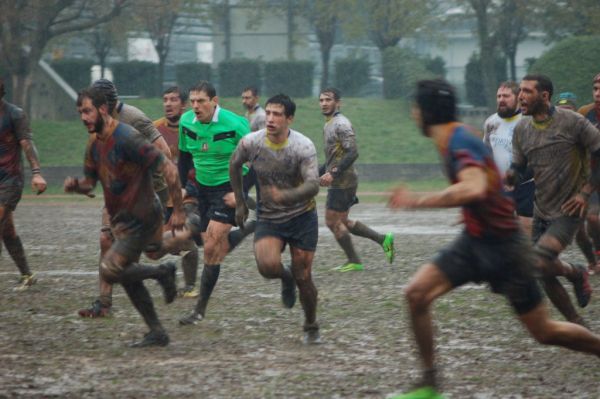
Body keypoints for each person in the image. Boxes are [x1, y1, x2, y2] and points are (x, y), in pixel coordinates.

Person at [388, 79, 600, 399]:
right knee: (416, 294)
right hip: (474, 241)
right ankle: (430, 385)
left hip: (504, 249)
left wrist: (416, 200)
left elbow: (472, 187)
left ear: (426, 111)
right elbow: (487, 187)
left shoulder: (458, 140)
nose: (413, 114)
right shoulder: (448, 137)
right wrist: (480, 210)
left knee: (544, 331)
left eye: (416, 108)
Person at [66, 86, 185, 347]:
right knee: (127, 274)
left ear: (103, 109)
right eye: (80, 113)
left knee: (111, 268)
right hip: (124, 218)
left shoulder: (127, 137)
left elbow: (170, 169)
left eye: (87, 111)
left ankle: (162, 272)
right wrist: (77, 185)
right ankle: (157, 331)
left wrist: (177, 209)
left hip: (142, 216)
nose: (83, 118)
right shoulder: (94, 143)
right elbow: (90, 183)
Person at [230, 93, 321, 344]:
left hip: (302, 217)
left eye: (277, 114)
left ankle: (311, 324)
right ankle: (285, 277)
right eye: (268, 113)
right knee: (267, 266)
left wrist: (286, 195)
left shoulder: (303, 146)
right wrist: (240, 202)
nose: (270, 119)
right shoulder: (251, 142)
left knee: (305, 277)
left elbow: (313, 185)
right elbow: (234, 164)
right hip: (269, 217)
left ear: (289, 119)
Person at [78, 79, 173, 318]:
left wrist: (138, 175)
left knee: (153, 251)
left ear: (108, 105)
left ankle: (186, 240)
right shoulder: (98, 123)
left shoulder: (135, 118)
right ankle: (104, 304)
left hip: (147, 192)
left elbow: (166, 152)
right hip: (118, 194)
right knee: (105, 240)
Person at [508, 74, 597, 325]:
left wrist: (585, 192)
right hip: (541, 209)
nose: (520, 96)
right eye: (520, 91)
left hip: (570, 207)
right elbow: (519, 164)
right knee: (543, 272)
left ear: (544, 96)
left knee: (538, 261)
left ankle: (576, 271)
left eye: (526, 91)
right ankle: (577, 324)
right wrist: (511, 176)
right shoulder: (522, 128)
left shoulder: (573, 122)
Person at [178, 81, 254, 325]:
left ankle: (199, 310)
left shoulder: (235, 124)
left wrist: (240, 194)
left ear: (214, 101)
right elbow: (184, 156)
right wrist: (181, 186)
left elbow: (259, 158)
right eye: (192, 101)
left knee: (211, 247)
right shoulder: (186, 122)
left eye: (201, 101)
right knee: (209, 245)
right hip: (201, 188)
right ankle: (248, 228)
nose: (196, 106)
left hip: (228, 188)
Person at [318, 87, 394, 272]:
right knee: (343, 222)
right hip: (342, 179)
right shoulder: (329, 124)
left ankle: (354, 261)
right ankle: (383, 240)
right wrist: (318, 171)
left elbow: (353, 152)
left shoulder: (341, 124)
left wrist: (332, 173)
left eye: (328, 100)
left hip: (343, 181)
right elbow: (333, 157)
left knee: (331, 221)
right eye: (321, 100)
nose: (324, 103)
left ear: (338, 103)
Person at [0, 78, 47, 290]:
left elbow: (27, 145)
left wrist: (36, 173)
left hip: (10, 180)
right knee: (7, 230)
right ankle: (27, 274)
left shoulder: (14, 114)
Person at [153, 86, 200, 298]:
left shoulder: (195, 128)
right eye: (165, 99)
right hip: (161, 197)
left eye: (173, 99)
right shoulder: (153, 130)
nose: (168, 104)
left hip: (188, 196)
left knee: (184, 238)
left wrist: (189, 188)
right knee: (154, 249)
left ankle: (190, 286)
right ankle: (163, 273)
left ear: (184, 105)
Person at [554, 92, 599, 271]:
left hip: (592, 178)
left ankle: (598, 253)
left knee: (593, 218)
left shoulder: (583, 124)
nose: (565, 113)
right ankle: (592, 261)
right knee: (579, 231)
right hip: (572, 183)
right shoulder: (552, 130)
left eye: (569, 109)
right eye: (561, 109)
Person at [483, 81, 534, 235]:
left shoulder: (528, 121)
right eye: (498, 96)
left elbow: (536, 154)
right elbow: (486, 153)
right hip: (500, 185)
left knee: (526, 231)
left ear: (518, 97)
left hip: (526, 183)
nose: (501, 99)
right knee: (499, 231)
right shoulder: (491, 122)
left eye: (506, 96)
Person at [578, 74, 600, 273]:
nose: (598, 93)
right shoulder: (585, 113)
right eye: (595, 88)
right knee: (592, 219)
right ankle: (597, 253)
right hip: (592, 177)